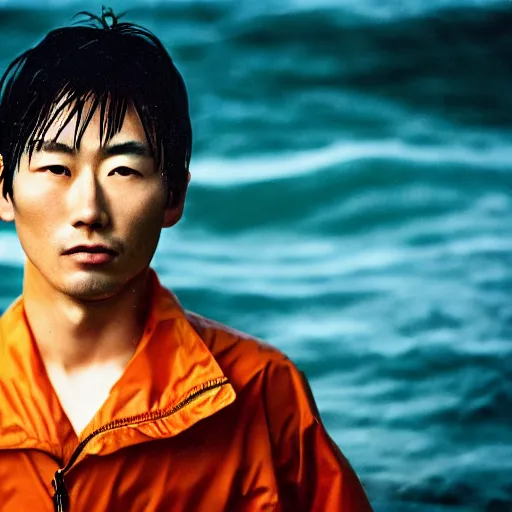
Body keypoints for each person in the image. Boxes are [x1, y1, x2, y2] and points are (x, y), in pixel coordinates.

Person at [0, 8, 372, 512]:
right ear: (4, 190)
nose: (88, 209)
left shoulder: (262, 391)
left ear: (173, 195)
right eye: (56, 167)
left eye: (124, 170)